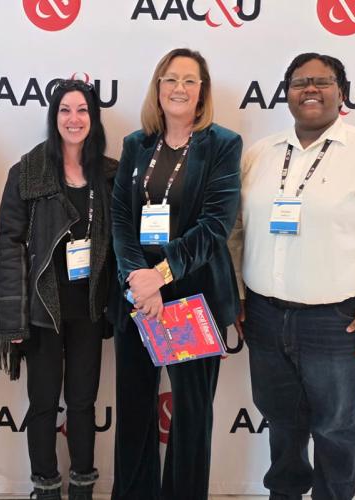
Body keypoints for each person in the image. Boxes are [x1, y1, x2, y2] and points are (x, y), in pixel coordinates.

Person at [229, 52, 355, 500]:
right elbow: (236, 232)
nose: (310, 89)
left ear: (342, 92)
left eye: (322, 81)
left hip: (337, 321)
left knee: (334, 427)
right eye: (299, 82)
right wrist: (237, 295)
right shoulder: (261, 155)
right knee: (282, 425)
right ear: (286, 93)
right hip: (265, 317)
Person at [110, 48, 243, 500]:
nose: (179, 88)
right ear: (158, 87)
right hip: (137, 297)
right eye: (170, 79)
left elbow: (215, 225)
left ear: (202, 90)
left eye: (189, 80)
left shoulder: (222, 144)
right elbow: (120, 221)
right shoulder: (135, 145)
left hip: (193, 298)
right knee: (133, 408)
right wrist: (137, 279)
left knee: (190, 415)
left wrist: (160, 275)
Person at [0, 79, 118, 500]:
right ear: (53, 116)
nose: (74, 119)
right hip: (43, 310)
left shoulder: (111, 174)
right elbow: (8, 244)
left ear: (93, 118)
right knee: (43, 404)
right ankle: (45, 486)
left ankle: (82, 485)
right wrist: (13, 315)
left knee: (82, 404)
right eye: (65, 110)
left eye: (82, 110)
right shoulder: (28, 171)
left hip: (91, 309)